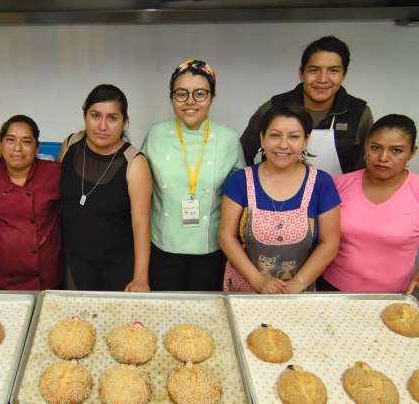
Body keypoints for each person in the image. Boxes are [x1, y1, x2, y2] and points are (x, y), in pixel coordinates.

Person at [319, 114, 419, 305]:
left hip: (393, 297)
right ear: (366, 146)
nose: (383, 158)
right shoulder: (338, 185)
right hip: (330, 291)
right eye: (376, 147)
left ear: (412, 152)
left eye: (396, 150)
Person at [142, 59, 244, 291]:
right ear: (171, 98)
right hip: (163, 248)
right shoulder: (155, 134)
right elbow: (141, 189)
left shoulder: (229, 139)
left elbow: (239, 198)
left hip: (211, 249)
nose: (190, 101)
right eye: (181, 94)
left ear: (212, 98)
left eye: (200, 94)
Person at [220, 104, 340, 293]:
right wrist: (258, 281)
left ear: (306, 140)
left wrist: (297, 284)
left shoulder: (321, 183)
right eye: (275, 135)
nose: (283, 145)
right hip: (245, 290)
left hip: (298, 292)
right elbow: (227, 237)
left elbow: (330, 243)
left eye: (293, 136)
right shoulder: (240, 181)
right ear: (262, 138)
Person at [58, 84, 153, 291]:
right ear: (85, 116)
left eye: (112, 118)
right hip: (75, 263)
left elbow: (142, 224)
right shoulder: (69, 145)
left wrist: (140, 278)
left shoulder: (134, 163)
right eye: (95, 115)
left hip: (117, 268)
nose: (102, 126)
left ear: (125, 122)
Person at [240, 36, 373, 176]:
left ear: (344, 75)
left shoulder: (359, 113)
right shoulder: (274, 108)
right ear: (301, 73)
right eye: (314, 70)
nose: (322, 79)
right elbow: (241, 156)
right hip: (277, 195)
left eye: (333, 71)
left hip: (340, 196)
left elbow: (366, 169)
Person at [0, 115, 62, 290]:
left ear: (37, 147)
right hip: (5, 275)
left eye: (26, 141)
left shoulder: (54, 173)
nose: (17, 148)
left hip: (46, 275)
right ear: (1, 144)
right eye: (10, 140)